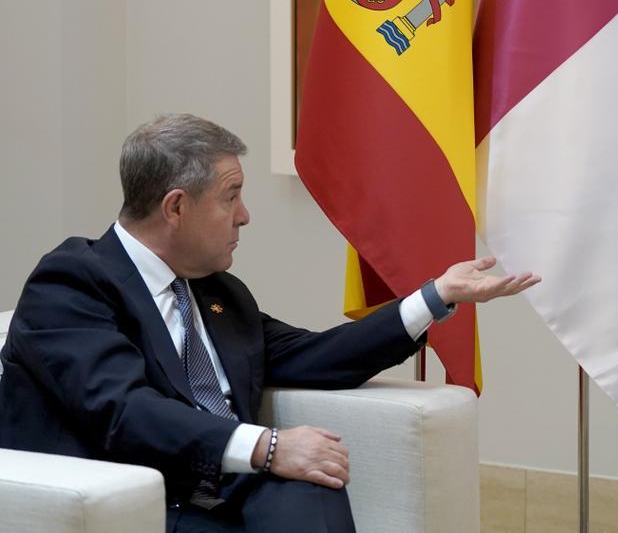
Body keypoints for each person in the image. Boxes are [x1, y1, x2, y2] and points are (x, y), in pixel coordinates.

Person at [0, 114, 540, 533]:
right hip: (139, 502)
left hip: (223, 488)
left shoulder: (215, 292)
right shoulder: (72, 282)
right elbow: (123, 411)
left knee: (315, 483)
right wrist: (269, 447)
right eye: (231, 196)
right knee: (294, 467)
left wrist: (437, 295)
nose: (245, 215)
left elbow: (317, 356)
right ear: (176, 207)